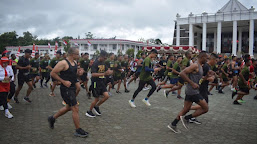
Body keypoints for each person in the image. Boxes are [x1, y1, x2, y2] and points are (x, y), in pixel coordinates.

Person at [48, 47, 88, 137]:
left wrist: (79, 73)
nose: (79, 55)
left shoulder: (74, 62)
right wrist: (63, 81)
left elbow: (72, 74)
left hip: (72, 87)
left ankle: (52, 118)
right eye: (77, 54)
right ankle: (78, 130)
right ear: (72, 54)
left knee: (68, 107)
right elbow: (53, 73)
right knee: (75, 108)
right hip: (66, 89)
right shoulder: (63, 63)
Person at [168, 51, 209, 133]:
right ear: (203, 57)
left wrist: (206, 76)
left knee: (185, 110)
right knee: (205, 108)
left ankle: (173, 124)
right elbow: (182, 73)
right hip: (192, 91)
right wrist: (192, 83)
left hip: (191, 91)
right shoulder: (195, 65)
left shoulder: (200, 66)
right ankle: (187, 118)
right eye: (206, 58)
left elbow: (196, 77)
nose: (207, 60)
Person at [86, 50, 112, 118]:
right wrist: (104, 74)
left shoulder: (103, 63)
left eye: (106, 58)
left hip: (101, 82)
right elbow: (93, 74)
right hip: (95, 82)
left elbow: (106, 71)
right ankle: (89, 111)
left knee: (106, 96)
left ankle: (96, 106)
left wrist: (109, 72)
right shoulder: (95, 63)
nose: (105, 59)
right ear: (101, 56)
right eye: (105, 58)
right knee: (96, 98)